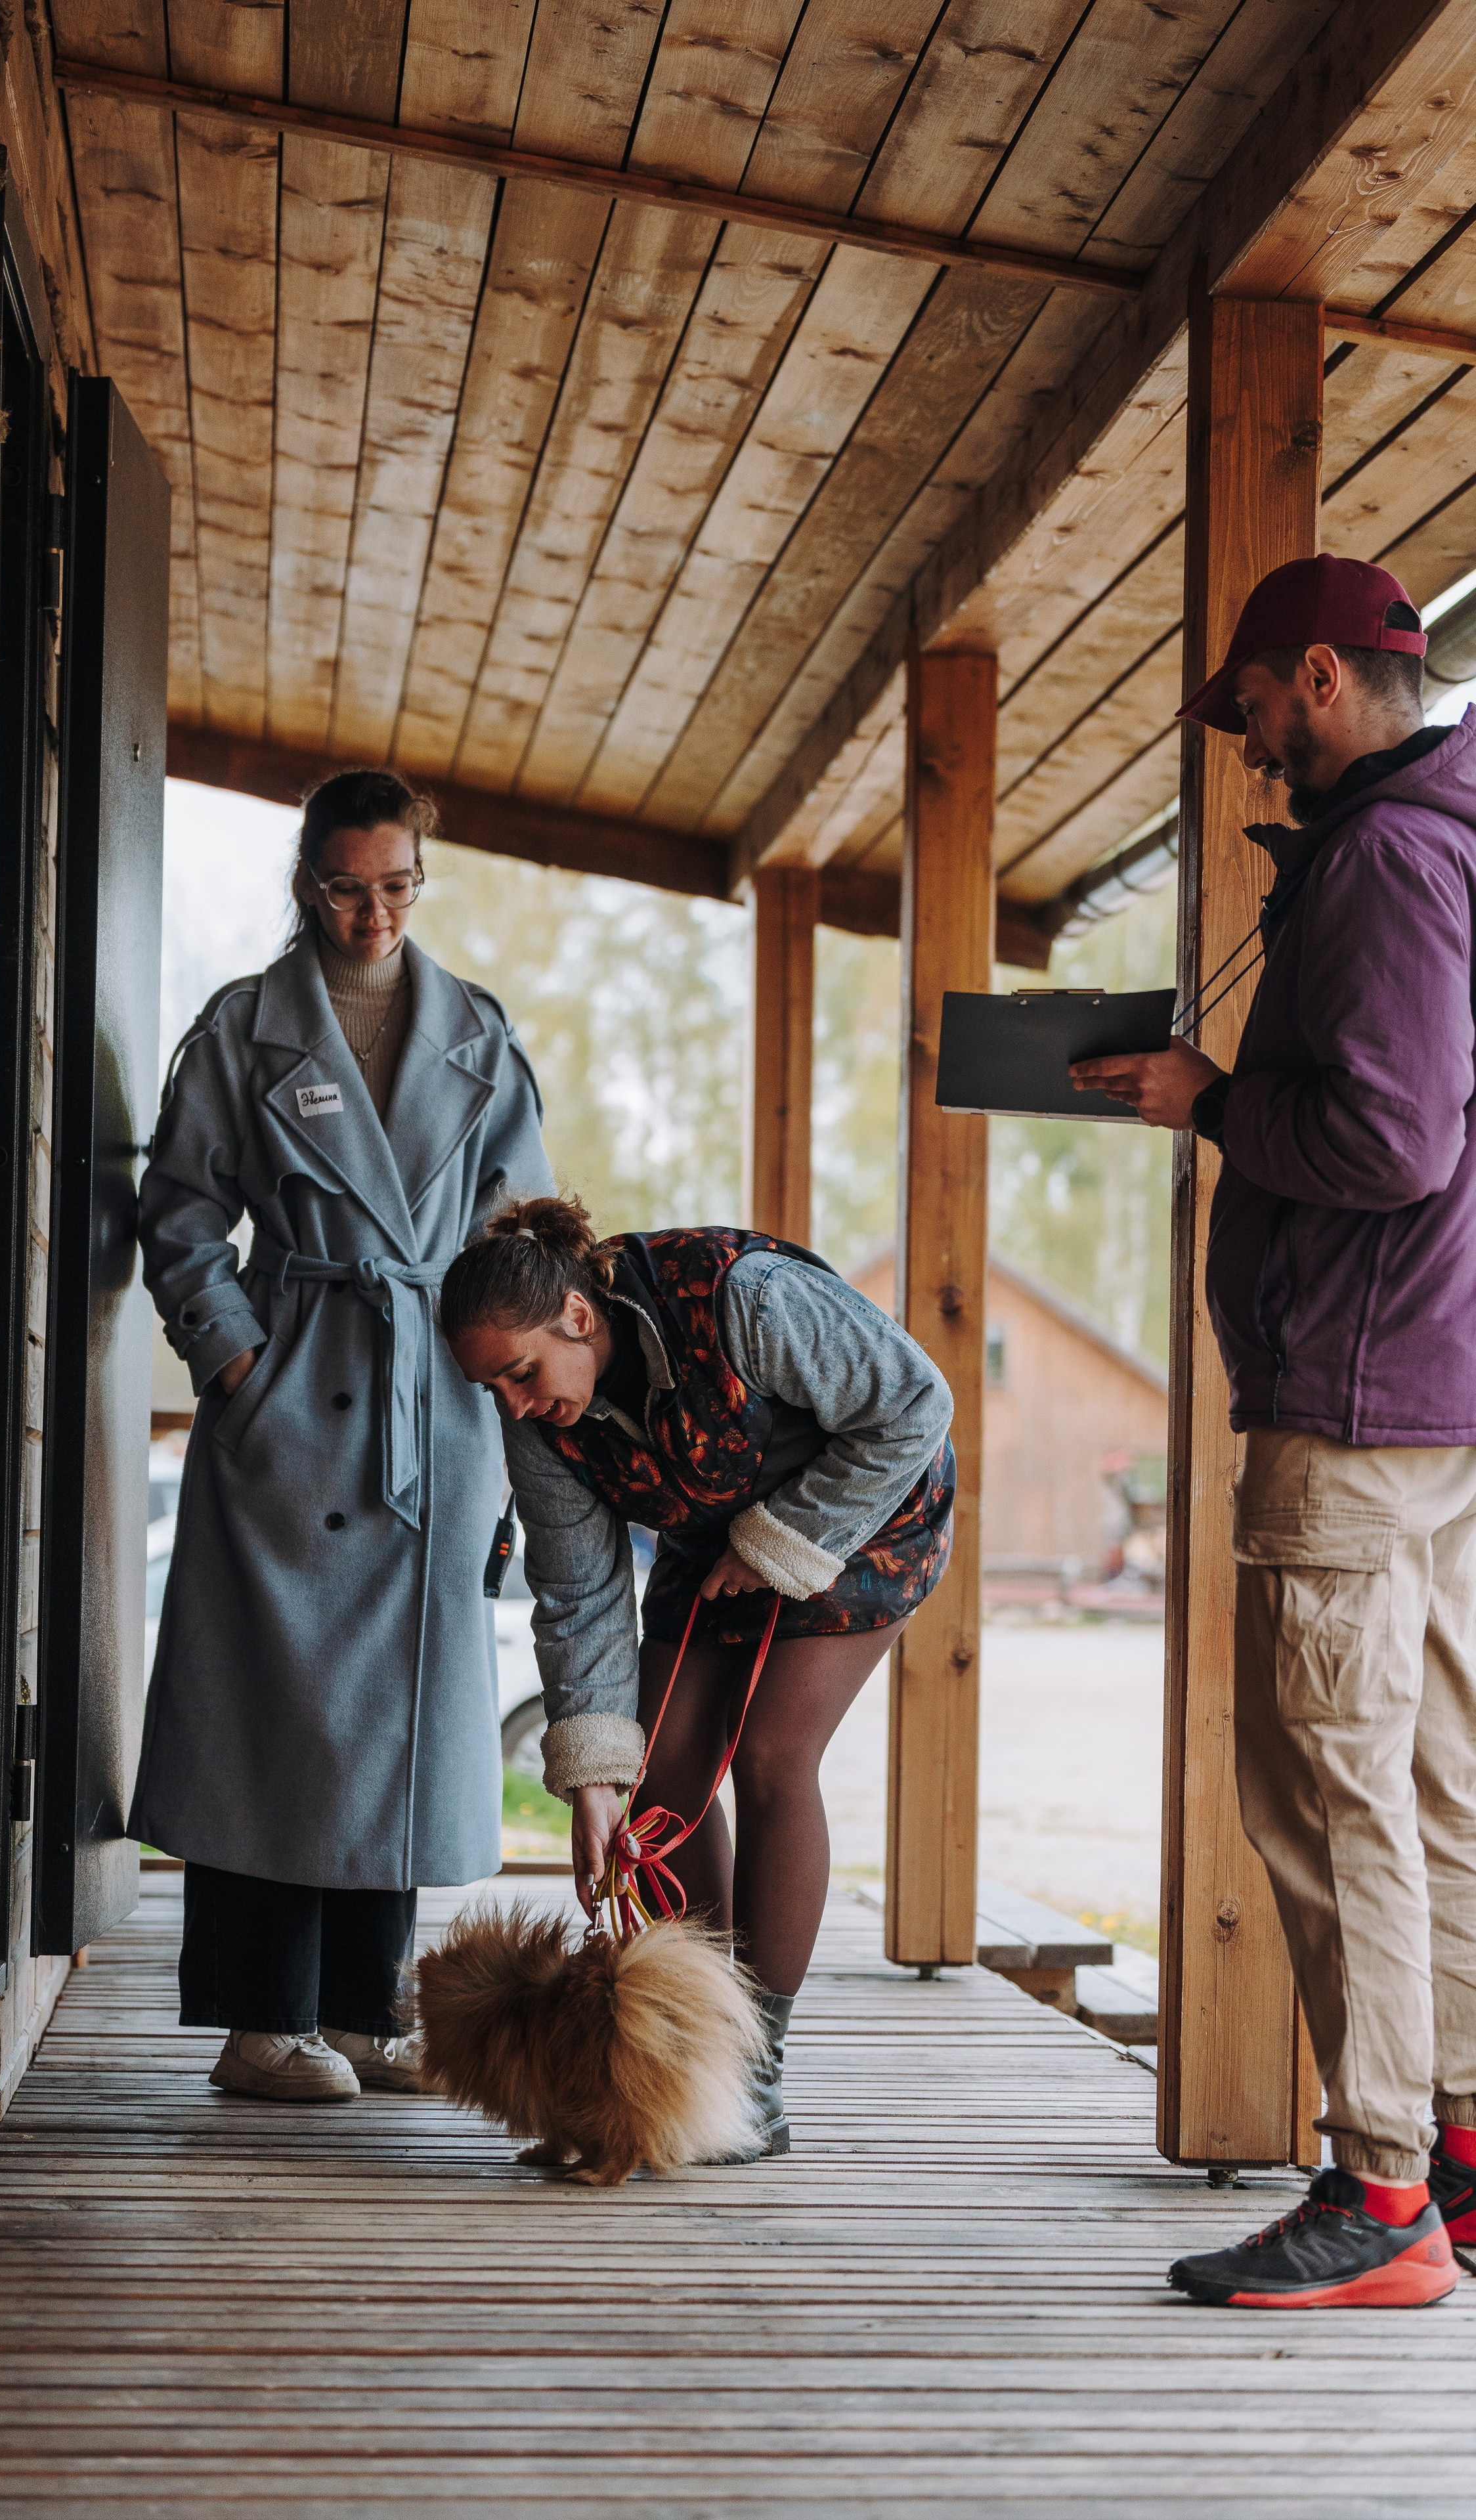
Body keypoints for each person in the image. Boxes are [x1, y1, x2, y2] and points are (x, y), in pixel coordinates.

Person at [1072, 554, 1476, 2307]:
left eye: (1245, 701)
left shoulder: (1387, 855)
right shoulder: (1439, 834)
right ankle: (1456, 2150)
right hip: (1443, 1389)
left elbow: (1392, 1144)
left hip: (1361, 1384)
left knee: (1329, 1792)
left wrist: (1211, 1099)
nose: (1241, 741)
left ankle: (1382, 2193)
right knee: (1443, 1788)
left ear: (1318, 675)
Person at [131, 770, 552, 2102]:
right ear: (302, 881)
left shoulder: (476, 1035)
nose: (370, 914)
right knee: (273, 1708)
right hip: (295, 1391)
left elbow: (522, 1233)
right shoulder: (244, 1027)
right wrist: (235, 1354)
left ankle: (366, 2010)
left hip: (432, 1400)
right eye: (342, 886)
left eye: (394, 887)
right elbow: (179, 1211)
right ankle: (260, 2021)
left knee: (400, 1716)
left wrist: (498, 1373)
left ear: (419, 881)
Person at [438, 1194, 955, 2160]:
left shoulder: (746, 1302)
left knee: (769, 1753)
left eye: (520, 1372)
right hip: (715, 1528)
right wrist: (593, 1781)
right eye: (491, 1390)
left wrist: (781, 1543)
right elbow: (581, 1596)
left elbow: (917, 1402)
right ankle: (694, 2060)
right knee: (658, 1785)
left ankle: (755, 2079)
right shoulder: (540, 1425)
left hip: (867, 1510)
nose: (512, 1403)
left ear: (578, 1319)